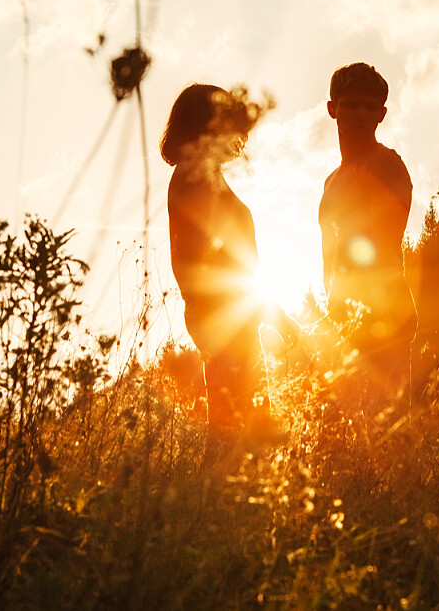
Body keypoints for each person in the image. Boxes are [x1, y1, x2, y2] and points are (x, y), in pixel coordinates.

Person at [162, 83, 298, 436]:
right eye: (221, 121)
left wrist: (272, 315)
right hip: (223, 321)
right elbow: (200, 263)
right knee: (233, 431)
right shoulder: (193, 181)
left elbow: (236, 267)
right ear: (202, 126)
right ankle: (214, 489)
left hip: (232, 320)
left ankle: (220, 488)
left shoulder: (205, 178)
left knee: (242, 429)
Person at [318, 63, 417, 396]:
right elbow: (327, 259)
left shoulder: (387, 165)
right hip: (342, 322)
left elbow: (383, 243)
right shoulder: (331, 183)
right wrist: (331, 321)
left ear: (382, 114)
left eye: (370, 107)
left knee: (386, 433)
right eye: (351, 104)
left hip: (384, 318)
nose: (361, 114)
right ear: (333, 109)